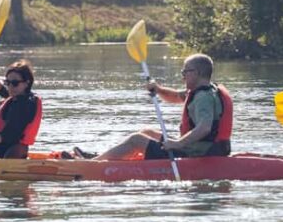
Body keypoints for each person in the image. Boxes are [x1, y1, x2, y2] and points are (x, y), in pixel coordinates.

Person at [92, 53, 233, 161]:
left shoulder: (203, 98)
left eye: (185, 72)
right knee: (147, 132)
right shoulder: (205, 90)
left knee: (136, 139)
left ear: (197, 72)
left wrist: (178, 143)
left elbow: (204, 128)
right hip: (199, 147)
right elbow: (176, 97)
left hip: (199, 152)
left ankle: (95, 163)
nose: (183, 76)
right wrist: (158, 89)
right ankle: (109, 157)